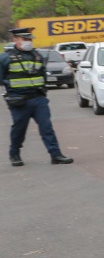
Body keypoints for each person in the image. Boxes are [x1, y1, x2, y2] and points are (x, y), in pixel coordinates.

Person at [2, 28, 74, 167]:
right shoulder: (5, 58)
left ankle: (56, 155)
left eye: (30, 39)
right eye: (25, 39)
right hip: (19, 100)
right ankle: (14, 154)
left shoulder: (37, 56)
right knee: (19, 129)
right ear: (15, 40)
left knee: (47, 127)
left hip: (38, 99)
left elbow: (42, 75)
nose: (28, 42)